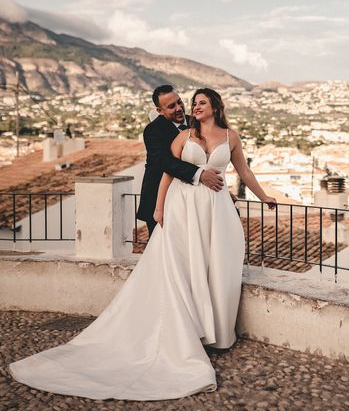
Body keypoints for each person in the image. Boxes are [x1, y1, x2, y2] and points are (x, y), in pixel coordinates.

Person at [9, 88, 277, 400]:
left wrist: (264, 197)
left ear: (215, 105)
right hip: (183, 209)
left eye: (191, 102)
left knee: (215, 268)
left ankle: (216, 332)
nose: (187, 107)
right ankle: (183, 332)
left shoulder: (231, 137)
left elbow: (243, 171)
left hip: (216, 213)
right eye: (183, 104)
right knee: (179, 269)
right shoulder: (172, 134)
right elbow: (166, 170)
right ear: (161, 110)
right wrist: (160, 208)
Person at [137, 84, 225, 235]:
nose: (179, 108)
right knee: (162, 250)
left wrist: (221, 188)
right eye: (171, 106)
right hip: (159, 199)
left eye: (179, 102)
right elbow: (166, 162)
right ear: (160, 111)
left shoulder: (196, 122)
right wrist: (201, 175)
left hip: (191, 199)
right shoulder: (153, 131)